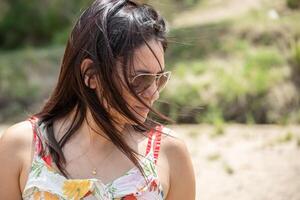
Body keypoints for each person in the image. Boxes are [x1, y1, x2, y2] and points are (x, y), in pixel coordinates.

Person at [0, 0, 196, 199]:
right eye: (141, 79)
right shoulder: (21, 146)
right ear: (91, 74)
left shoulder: (170, 153)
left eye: (159, 79)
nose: (154, 93)